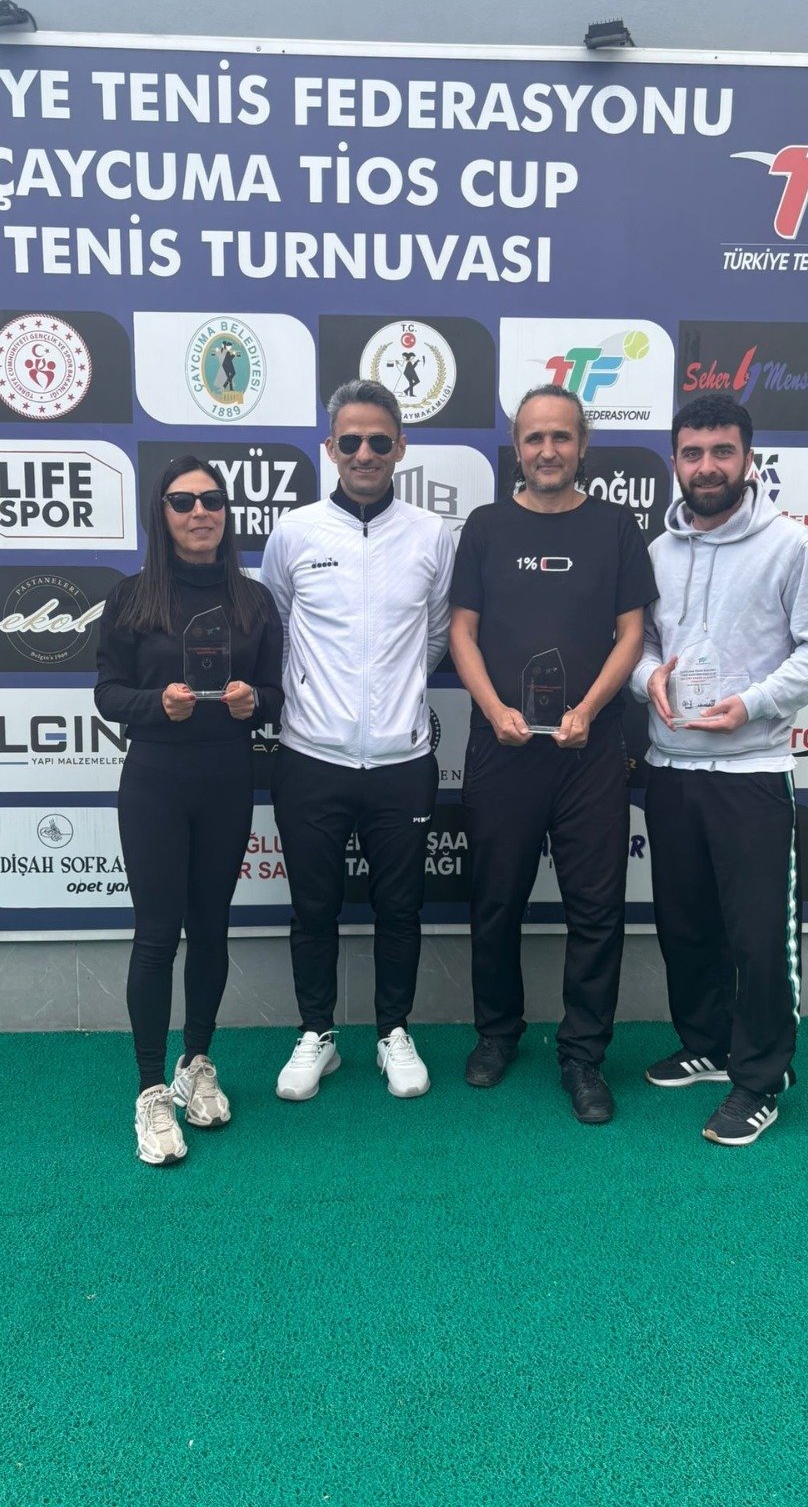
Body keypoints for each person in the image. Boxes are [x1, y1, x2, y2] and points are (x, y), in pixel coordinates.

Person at [631, 394, 808, 1146]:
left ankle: (760, 1079)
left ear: (749, 460)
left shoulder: (791, 545)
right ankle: (709, 1045)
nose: (707, 467)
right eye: (693, 453)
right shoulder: (658, 552)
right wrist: (648, 681)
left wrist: (751, 704)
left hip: (751, 769)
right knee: (685, 925)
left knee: (758, 939)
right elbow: (642, 644)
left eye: (722, 452)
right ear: (675, 461)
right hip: (670, 766)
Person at [448, 384, 657, 1124]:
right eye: (534, 437)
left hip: (589, 751)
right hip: (502, 745)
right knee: (495, 901)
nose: (547, 450)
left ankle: (583, 1056)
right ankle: (497, 1034)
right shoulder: (485, 526)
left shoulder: (616, 527)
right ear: (517, 445)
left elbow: (631, 633)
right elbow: (462, 632)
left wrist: (588, 710)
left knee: (596, 909)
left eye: (560, 437)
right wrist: (492, 709)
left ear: (582, 444)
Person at [259, 379, 455, 1101]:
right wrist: (318, 700)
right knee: (313, 907)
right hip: (311, 757)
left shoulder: (432, 535)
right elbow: (278, 629)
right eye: (351, 441)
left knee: (400, 908)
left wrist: (392, 702)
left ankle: (393, 1032)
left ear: (400, 447)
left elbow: (437, 633)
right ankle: (317, 1033)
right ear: (331, 449)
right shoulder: (295, 531)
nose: (364, 453)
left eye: (378, 440)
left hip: (403, 761)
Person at [95, 456, 284, 1166]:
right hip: (156, 778)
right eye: (183, 501)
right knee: (156, 935)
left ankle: (195, 1062)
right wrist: (157, 704)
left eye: (211, 499)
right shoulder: (132, 597)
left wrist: (253, 702)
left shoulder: (253, 601)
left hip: (227, 776)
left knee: (211, 928)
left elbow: (276, 691)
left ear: (226, 512)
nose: (199, 511)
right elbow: (107, 693)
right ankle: (150, 1089)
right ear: (162, 512)